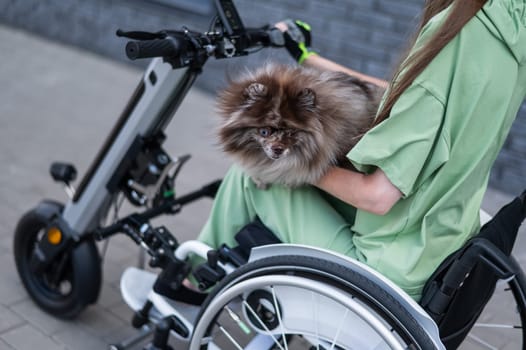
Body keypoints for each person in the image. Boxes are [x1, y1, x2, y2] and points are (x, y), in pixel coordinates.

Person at [197, 0, 526, 301]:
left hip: (388, 267)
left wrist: (293, 166)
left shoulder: (453, 33)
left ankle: (193, 282)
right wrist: (307, 59)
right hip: (437, 239)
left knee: (250, 173)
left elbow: (376, 197)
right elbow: (405, 92)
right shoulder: (508, 31)